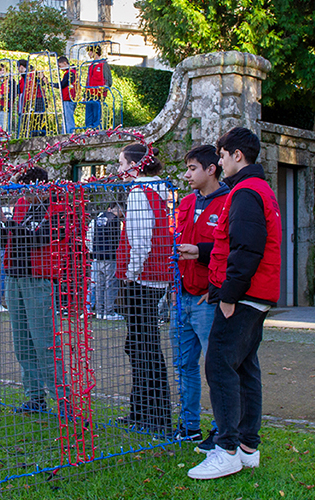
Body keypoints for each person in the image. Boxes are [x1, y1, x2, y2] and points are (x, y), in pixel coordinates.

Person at [188, 127, 282, 480]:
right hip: (254, 294)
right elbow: (238, 243)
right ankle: (246, 447)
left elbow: (247, 249)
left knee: (219, 365)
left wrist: (229, 295)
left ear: (236, 155)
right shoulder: (257, 189)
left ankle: (226, 449)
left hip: (244, 296)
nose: (221, 161)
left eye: (223, 155)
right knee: (244, 367)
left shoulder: (246, 192)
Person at [0, 167, 67, 415]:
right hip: (14, 276)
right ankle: (35, 397)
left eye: (28, 190)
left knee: (45, 342)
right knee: (22, 342)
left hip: (38, 278)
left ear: (40, 187)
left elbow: (39, 238)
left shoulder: (58, 207)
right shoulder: (22, 204)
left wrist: (7, 221)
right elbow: (7, 240)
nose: (24, 195)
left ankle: (63, 401)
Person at [174, 145, 230, 442]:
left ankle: (223, 428)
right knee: (184, 365)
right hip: (181, 296)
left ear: (211, 169)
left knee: (216, 366)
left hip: (206, 300)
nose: (187, 175)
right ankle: (189, 426)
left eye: (192, 168)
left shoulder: (229, 202)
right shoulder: (185, 203)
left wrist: (216, 289)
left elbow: (230, 250)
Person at [116, 144, 172, 435]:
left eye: (122, 163)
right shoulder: (160, 191)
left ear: (135, 165)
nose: (119, 170)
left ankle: (154, 415)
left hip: (143, 280)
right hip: (155, 278)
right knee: (141, 345)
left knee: (143, 347)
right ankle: (141, 411)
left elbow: (140, 242)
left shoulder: (140, 193)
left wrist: (130, 275)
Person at [85, 198, 124, 320]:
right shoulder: (114, 220)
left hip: (97, 255)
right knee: (110, 284)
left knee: (99, 285)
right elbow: (117, 239)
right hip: (109, 256)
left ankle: (100, 311)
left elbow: (91, 235)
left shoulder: (99, 218)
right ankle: (109, 311)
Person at [17, 59, 47, 137]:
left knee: (38, 119)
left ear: (21, 67)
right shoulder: (22, 79)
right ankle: (31, 135)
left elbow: (43, 81)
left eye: (18, 68)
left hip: (37, 99)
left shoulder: (33, 73)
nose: (18, 70)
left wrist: (42, 77)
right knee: (29, 120)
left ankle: (40, 134)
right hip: (28, 101)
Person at [83, 46, 110, 130]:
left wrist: (103, 90)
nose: (89, 54)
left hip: (98, 94)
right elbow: (88, 81)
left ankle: (97, 131)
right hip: (89, 94)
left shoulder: (103, 64)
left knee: (97, 116)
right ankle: (89, 131)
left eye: (90, 52)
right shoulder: (91, 65)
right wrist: (85, 95)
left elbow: (108, 80)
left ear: (94, 52)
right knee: (88, 117)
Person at [58, 55, 79, 134]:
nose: (60, 68)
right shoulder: (73, 72)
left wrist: (51, 84)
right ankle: (65, 133)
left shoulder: (70, 73)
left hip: (68, 98)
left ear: (64, 63)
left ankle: (69, 134)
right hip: (71, 98)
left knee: (68, 119)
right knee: (66, 118)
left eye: (60, 66)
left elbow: (62, 84)